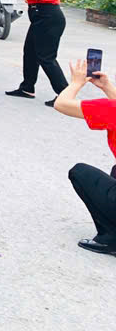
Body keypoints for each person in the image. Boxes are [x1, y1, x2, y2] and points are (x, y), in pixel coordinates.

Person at [52, 58, 116, 255]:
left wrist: (76, 83)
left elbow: (61, 104)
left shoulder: (111, 110)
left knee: (81, 173)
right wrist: (107, 87)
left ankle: (110, 238)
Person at [0, 0, 68, 103]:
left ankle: (65, 95)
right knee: (30, 52)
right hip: (40, 16)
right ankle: (27, 88)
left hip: (48, 15)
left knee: (46, 57)